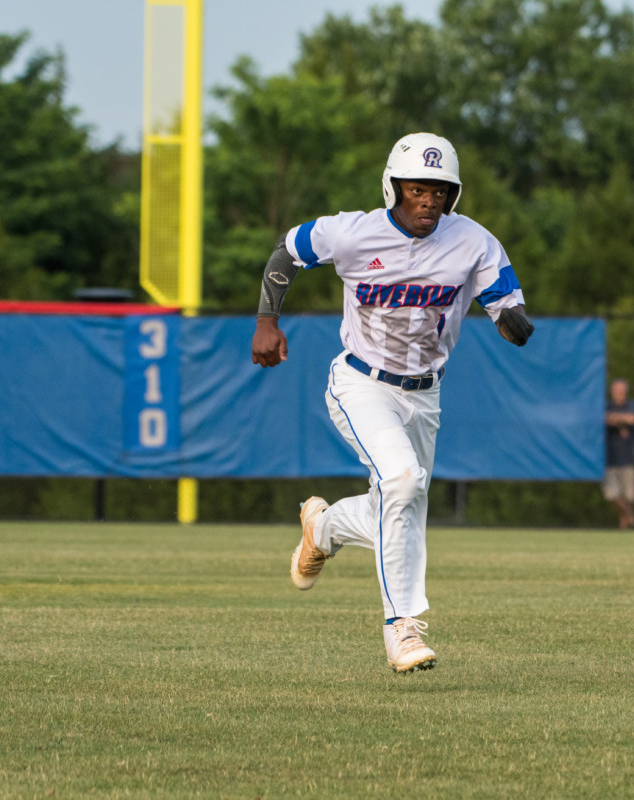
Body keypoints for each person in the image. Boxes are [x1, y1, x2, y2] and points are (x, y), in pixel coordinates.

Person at [251, 132, 534, 673]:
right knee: (403, 483)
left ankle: (326, 528)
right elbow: (288, 248)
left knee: (400, 507)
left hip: (425, 393)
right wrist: (267, 319)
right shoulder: (354, 232)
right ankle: (402, 628)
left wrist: (511, 320)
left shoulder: (473, 240)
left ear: (454, 195)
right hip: (361, 382)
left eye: (440, 191)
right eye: (417, 188)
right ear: (393, 187)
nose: (428, 200)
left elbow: (503, 297)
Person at [603, 377, 634, 529]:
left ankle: (624, 528)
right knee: (612, 494)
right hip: (610, 458)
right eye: (617, 391)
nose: (619, 394)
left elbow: (633, 419)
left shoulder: (631, 405)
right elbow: (603, 418)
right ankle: (630, 518)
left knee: (629, 496)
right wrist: (621, 422)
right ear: (612, 392)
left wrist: (614, 420)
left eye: (622, 391)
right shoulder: (606, 406)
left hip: (629, 458)